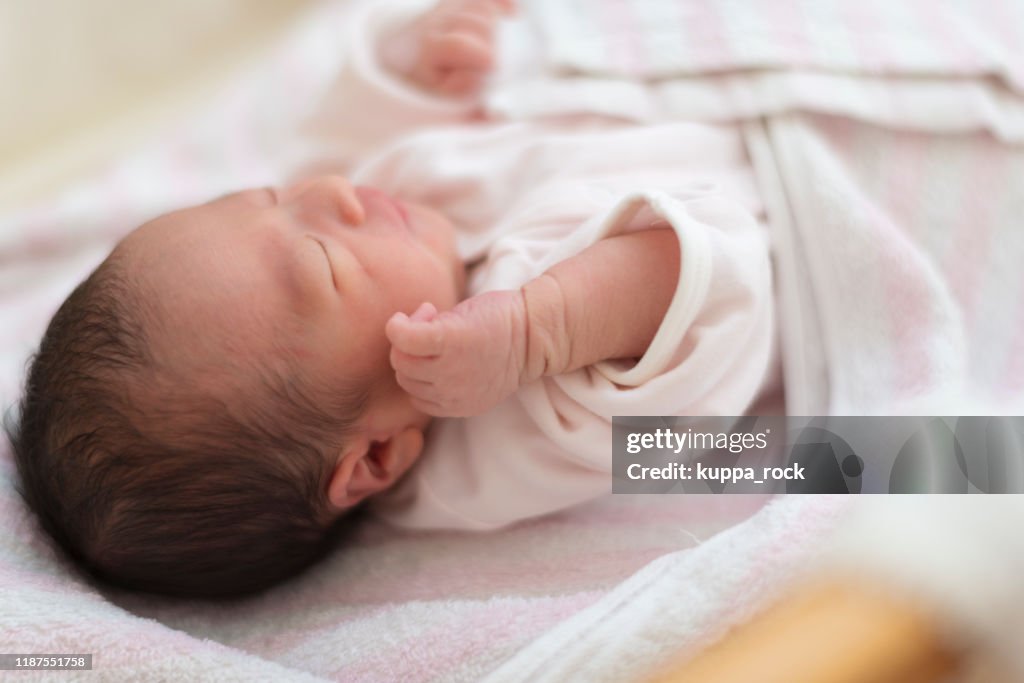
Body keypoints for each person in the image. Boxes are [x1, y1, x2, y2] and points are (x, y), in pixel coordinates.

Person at [5, 0, 778, 598]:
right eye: (325, 263)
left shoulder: (379, 219)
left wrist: (426, 54)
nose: (331, 193)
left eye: (267, 197)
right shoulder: (501, 434)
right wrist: (540, 331)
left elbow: (349, 126)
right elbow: (716, 276)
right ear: (376, 454)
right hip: (816, 172)